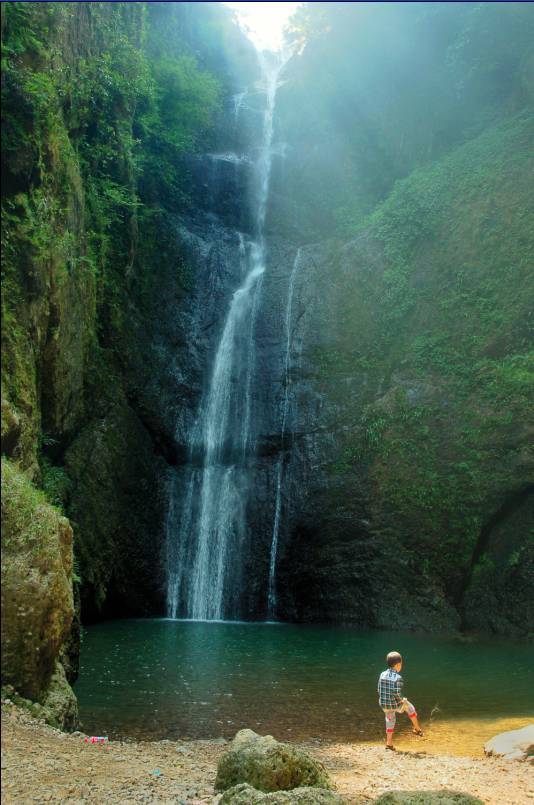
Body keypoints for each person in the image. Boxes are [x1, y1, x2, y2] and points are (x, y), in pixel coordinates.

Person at [378, 650, 423, 751]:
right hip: (394, 704)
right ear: (398, 665)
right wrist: (403, 700)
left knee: (390, 719)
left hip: (383, 703)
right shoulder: (398, 678)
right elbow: (397, 693)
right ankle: (417, 729)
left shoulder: (382, 674)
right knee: (410, 707)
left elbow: (379, 689)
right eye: (401, 664)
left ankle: (389, 744)